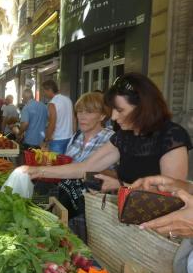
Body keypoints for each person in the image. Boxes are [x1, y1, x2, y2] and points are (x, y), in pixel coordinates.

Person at [22, 72, 192, 192]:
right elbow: (85, 167)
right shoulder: (123, 136)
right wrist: (37, 171)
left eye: (120, 110)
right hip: (122, 222)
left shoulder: (171, 136)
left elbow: (170, 192)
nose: (115, 116)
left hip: (154, 231)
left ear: (143, 108)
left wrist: (122, 186)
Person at [57, 92, 114, 242]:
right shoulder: (75, 137)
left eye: (88, 112)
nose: (81, 116)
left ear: (102, 116)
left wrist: (89, 170)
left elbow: (119, 176)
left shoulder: (111, 140)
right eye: (80, 111)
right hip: (70, 205)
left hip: (95, 209)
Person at [43, 80, 74, 154]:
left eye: (44, 91)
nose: (44, 94)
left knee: (56, 164)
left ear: (50, 90)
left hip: (57, 139)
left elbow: (52, 123)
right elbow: (74, 119)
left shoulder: (52, 103)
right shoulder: (68, 100)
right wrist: (73, 134)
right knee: (66, 163)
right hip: (69, 137)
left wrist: (46, 139)